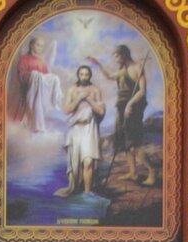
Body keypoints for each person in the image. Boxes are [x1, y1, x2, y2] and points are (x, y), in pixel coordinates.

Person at [88, 44, 154, 186]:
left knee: (134, 142)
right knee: (125, 142)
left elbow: (142, 91)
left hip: (133, 107)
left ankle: (152, 172)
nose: (115, 59)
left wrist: (130, 105)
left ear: (124, 55)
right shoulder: (122, 69)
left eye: (117, 56)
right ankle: (132, 172)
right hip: (121, 106)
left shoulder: (137, 68)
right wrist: (98, 63)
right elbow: (109, 76)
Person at [55, 65, 105, 198]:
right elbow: (66, 110)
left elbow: (101, 111)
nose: (84, 77)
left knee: (88, 161)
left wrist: (88, 98)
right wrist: (79, 98)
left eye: (86, 74)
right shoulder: (72, 89)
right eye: (81, 74)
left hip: (90, 127)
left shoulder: (95, 90)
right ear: (78, 75)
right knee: (76, 164)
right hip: (76, 129)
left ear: (90, 76)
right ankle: (77, 187)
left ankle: (87, 193)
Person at [10, 35, 63, 134]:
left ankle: (39, 126)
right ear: (31, 45)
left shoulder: (42, 61)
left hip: (40, 91)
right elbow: (21, 74)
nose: (40, 48)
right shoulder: (24, 59)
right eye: (38, 45)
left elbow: (47, 77)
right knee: (35, 74)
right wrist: (34, 76)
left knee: (55, 78)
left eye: (42, 46)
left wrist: (52, 79)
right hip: (28, 90)